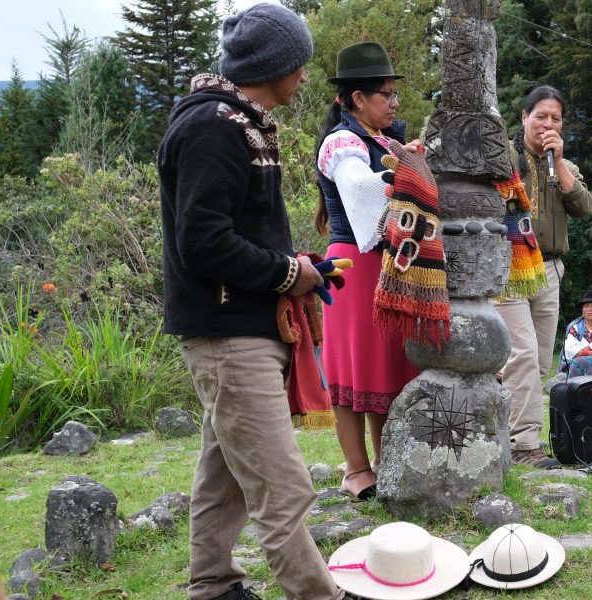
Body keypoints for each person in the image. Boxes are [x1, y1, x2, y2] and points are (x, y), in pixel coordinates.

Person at [158, 4, 344, 600]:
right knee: (282, 487)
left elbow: (234, 231)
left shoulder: (237, 122)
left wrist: (301, 267)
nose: (306, 76)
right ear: (276, 64)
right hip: (228, 333)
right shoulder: (216, 126)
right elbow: (203, 240)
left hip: (237, 326)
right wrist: (289, 272)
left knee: (225, 481)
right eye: (301, 64)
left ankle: (214, 587)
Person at [313, 42, 425, 501]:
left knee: (385, 364)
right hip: (352, 265)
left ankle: (386, 461)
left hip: (387, 263)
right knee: (353, 368)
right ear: (358, 99)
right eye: (386, 94)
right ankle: (356, 469)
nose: (395, 103)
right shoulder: (342, 143)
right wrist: (408, 172)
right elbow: (360, 190)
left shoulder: (384, 140)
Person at [495, 86, 592, 468]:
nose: (547, 124)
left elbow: (585, 206)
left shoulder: (562, 165)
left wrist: (560, 162)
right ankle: (525, 446)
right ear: (524, 118)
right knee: (520, 355)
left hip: (550, 268)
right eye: (541, 116)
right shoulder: (504, 154)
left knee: (537, 361)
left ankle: (502, 432)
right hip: (510, 265)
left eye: (555, 118)